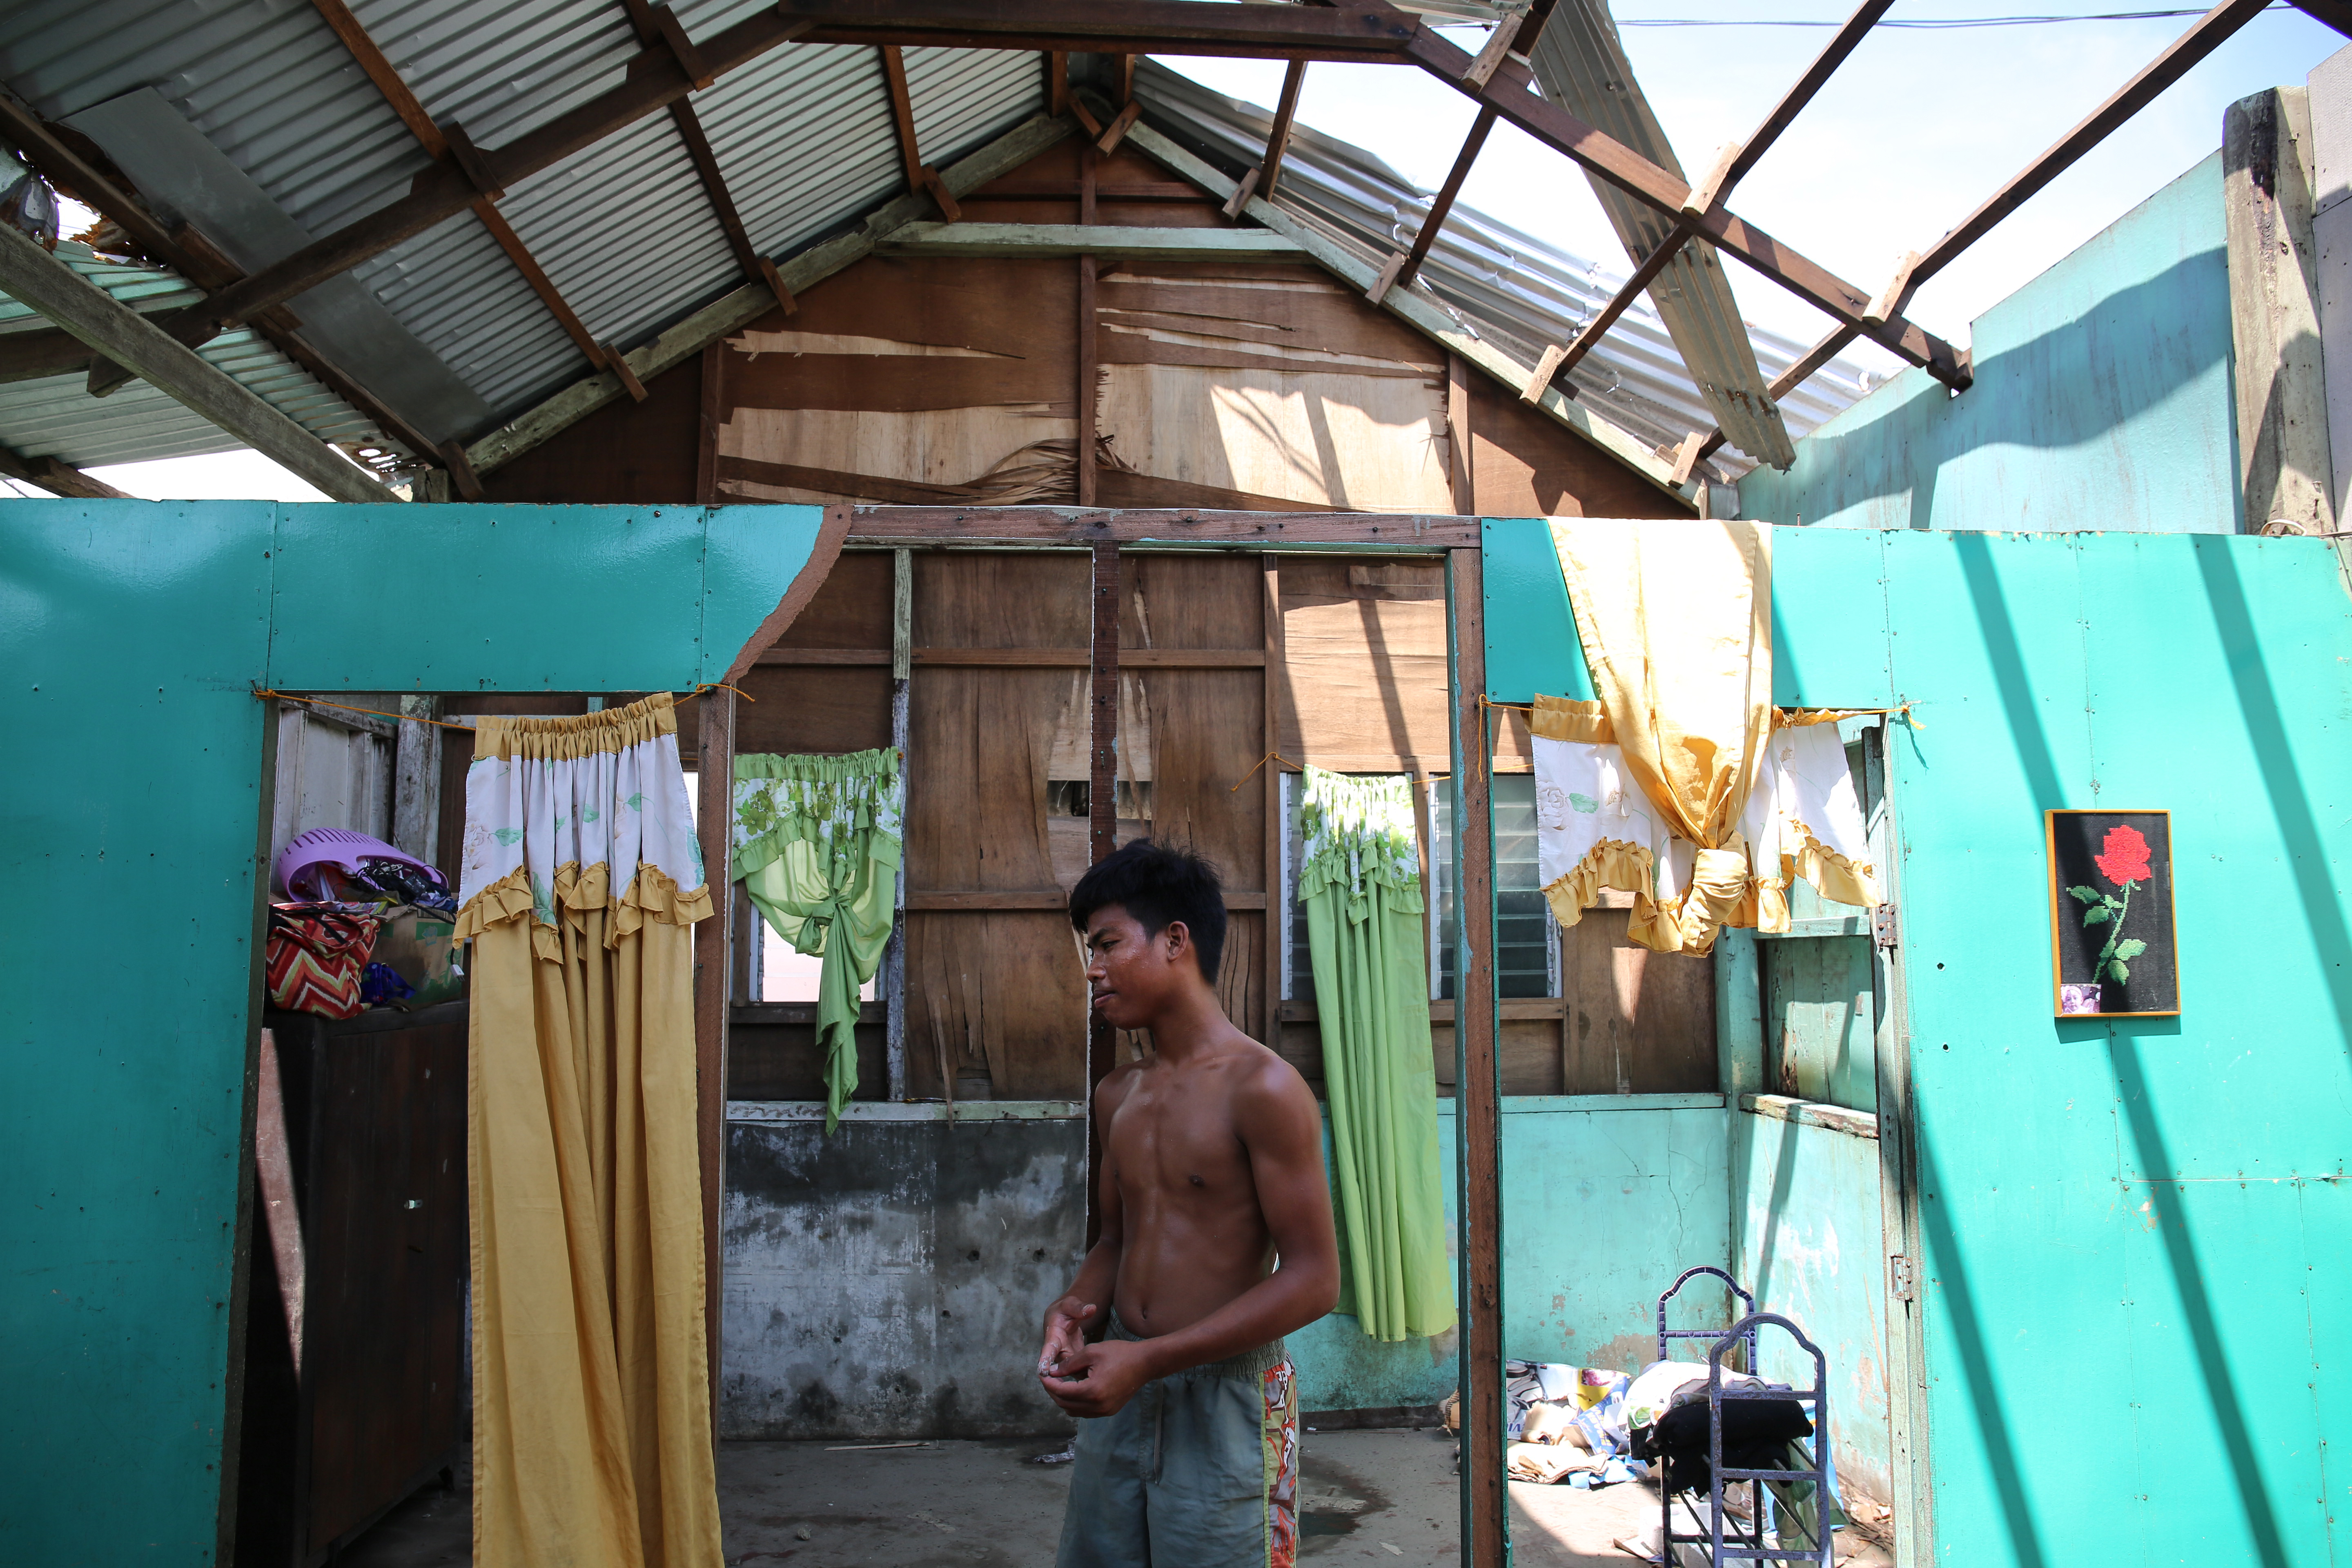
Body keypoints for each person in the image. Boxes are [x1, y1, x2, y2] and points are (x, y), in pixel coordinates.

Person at [1039, 839, 1341, 1568]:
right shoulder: (1119, 1095)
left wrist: (1152, 1361)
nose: (1093, 969)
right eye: (1090, 949)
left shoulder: (1263, 1089)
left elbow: (1314, 1280)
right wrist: (1073, 1309)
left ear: (1176, 940)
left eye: (1108, 943)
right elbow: (1116, 1242)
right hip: (1119, 1386)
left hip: (1229, 1401)